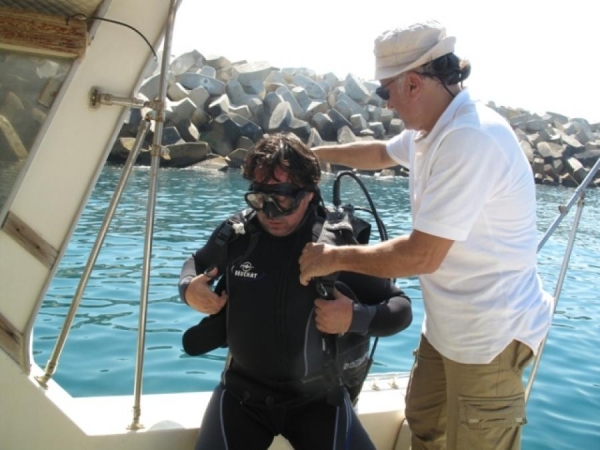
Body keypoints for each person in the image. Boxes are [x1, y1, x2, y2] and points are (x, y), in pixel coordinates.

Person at [298, 20, 553, 450]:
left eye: (385, 92)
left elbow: (421, 256)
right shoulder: (430, 130)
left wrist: (331, 258)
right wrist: (313, 155)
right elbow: (380, 153)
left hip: (490, 335)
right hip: (446, 327)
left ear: (413, 84)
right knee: (424, 423)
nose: (386, 104)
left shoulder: (469, 138)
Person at [178, 132, 413, 450]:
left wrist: (353, 317)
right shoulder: (237, 236)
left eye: (283, 200)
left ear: (308, 194)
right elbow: (195, 263)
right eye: (259, 199)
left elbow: (401, 308)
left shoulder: (333, 246)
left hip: (318, 400)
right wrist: (189, 290)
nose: (269, 213)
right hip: (242, 394)